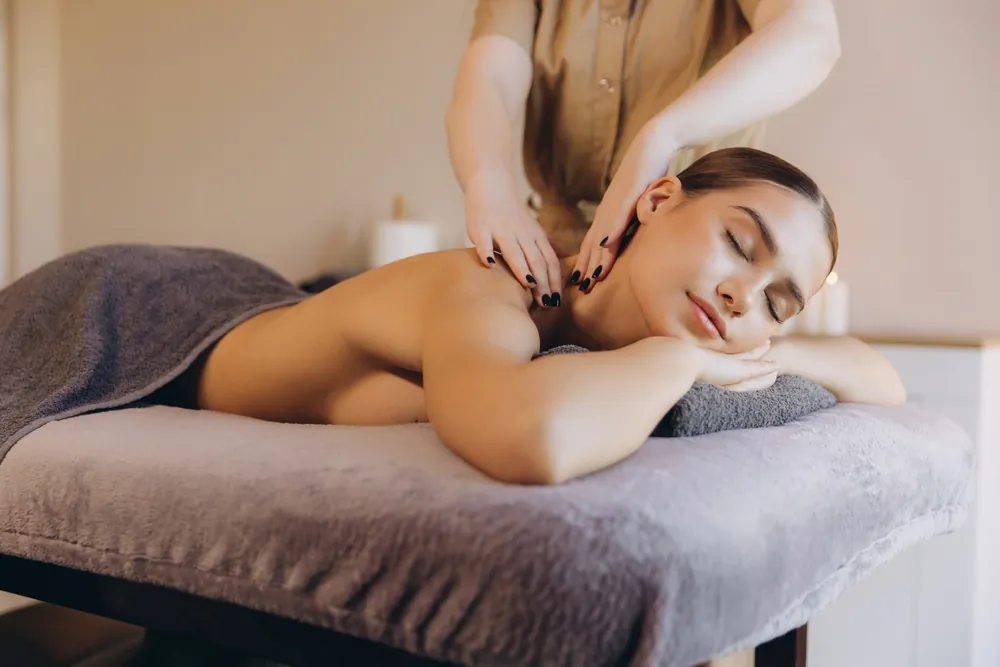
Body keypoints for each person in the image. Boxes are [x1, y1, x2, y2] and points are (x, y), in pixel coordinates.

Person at [188, 148, 904, 485]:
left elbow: (880, 378)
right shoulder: (496, 289)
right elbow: (536, 438)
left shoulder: (603, 348)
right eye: (739, 244)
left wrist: (769, 352)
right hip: (184, 313)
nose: (742, 297)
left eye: (777, 303)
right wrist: (684, 360)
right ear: (656, 202)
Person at [445, 0, 841, 308]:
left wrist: (660, 138)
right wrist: (489, 185)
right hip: (553, 258)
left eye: (774, 306)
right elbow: (488, 80)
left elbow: (812, 35)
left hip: (693, 272)